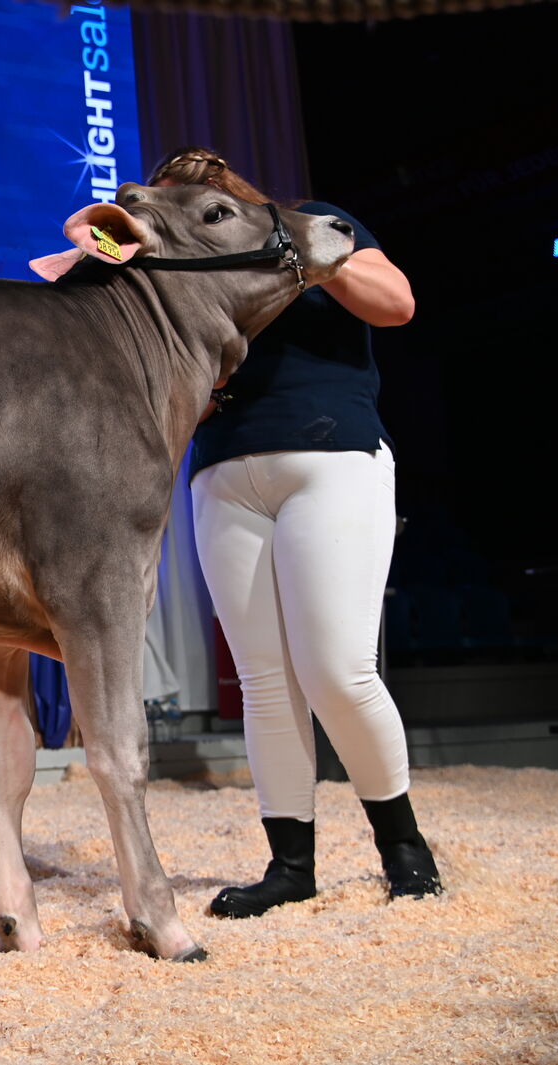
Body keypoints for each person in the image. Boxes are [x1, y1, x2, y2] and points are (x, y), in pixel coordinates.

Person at [146, 147, 442, 917]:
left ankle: (405, 851)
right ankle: (290, 864)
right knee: (265, 686)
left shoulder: (318, 223)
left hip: (332, 452)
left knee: (338, 670)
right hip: (222, 474)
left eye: (206, 200)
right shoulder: (188, 275)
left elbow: (396, 302)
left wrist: (307, 255)